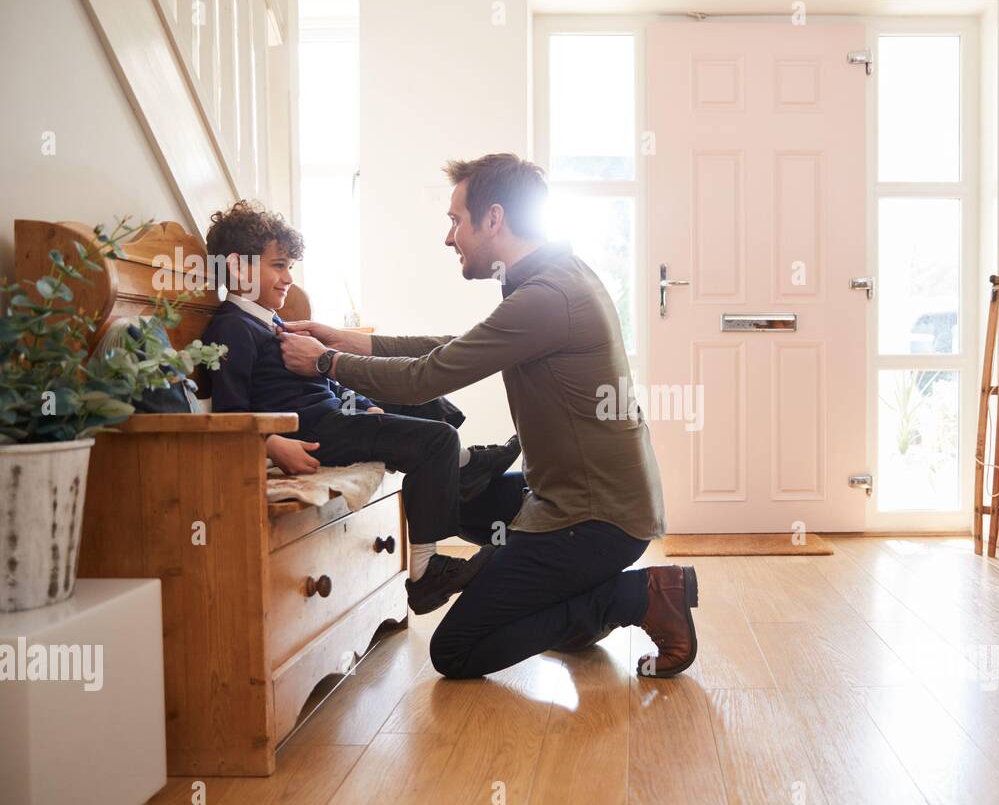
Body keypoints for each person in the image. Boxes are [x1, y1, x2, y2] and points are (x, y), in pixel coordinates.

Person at [278, 153, 700, 679]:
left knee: (454, 651)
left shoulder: (549, 295)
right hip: (569, 497)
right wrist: (349, 340)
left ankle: (634, 597)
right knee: (453, 492)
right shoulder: (549, 278)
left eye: (456, 220)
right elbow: (458, 346)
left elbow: (429, 375)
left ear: (494, 219)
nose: (448, 237)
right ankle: (576, 602)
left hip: (596, 520)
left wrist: (326, 362)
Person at [202, 200, 519, 613]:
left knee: (406, 388)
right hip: (315, 430)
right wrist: (273, 444)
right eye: (278, 266)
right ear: (239, 268)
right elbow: (230, 411)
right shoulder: (231, 327)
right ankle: (427, 570)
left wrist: (367, 405)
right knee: (435, 441)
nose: (288, 278)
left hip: (333, 412)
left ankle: (465, 465)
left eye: (289, 266)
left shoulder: (272, 322)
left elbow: (326, 377)